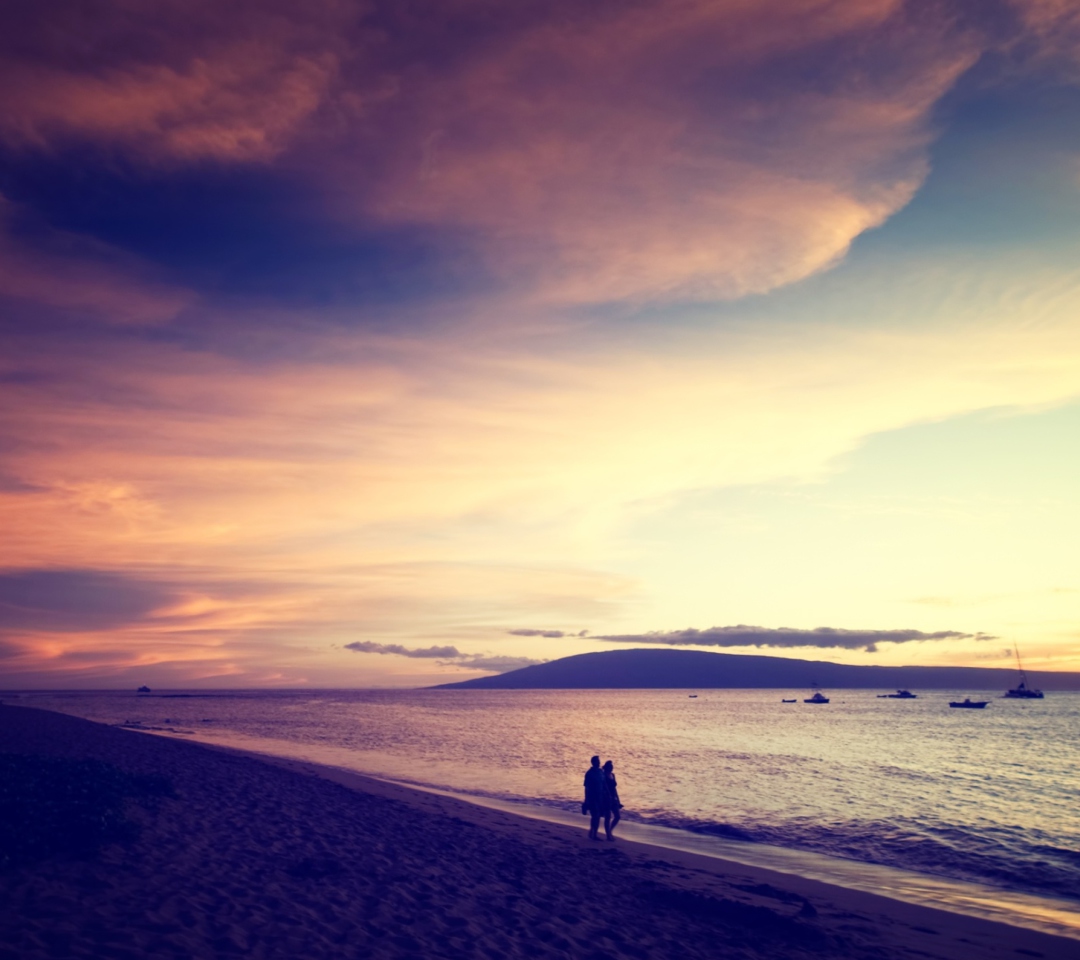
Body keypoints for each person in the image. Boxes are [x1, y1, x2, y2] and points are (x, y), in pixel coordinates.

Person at [582, 755, 611, 841]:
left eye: (599, 761)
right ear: (593, 762)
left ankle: (593, 832)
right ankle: (593, 834)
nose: (599, 762)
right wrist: (586, 799)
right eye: (597, 761)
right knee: (595, 815)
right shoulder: (589, 773)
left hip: (600, 797)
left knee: (597, 816)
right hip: (592, 797)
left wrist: (608, 793)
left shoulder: (601, 772)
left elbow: (604, 783)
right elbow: (586, 787)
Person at [603, 759, 622, 839]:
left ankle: (610, 831)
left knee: (617, 816)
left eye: (612, 766)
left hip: (613, 798)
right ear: (607, 767)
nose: (612, 767)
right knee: (607, 817)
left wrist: (618, 800)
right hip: (606, 798)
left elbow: (614, 788)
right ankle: (608, 834)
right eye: (610, 766)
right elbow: (603, 787)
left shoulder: (613, 775)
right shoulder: (603, 775)